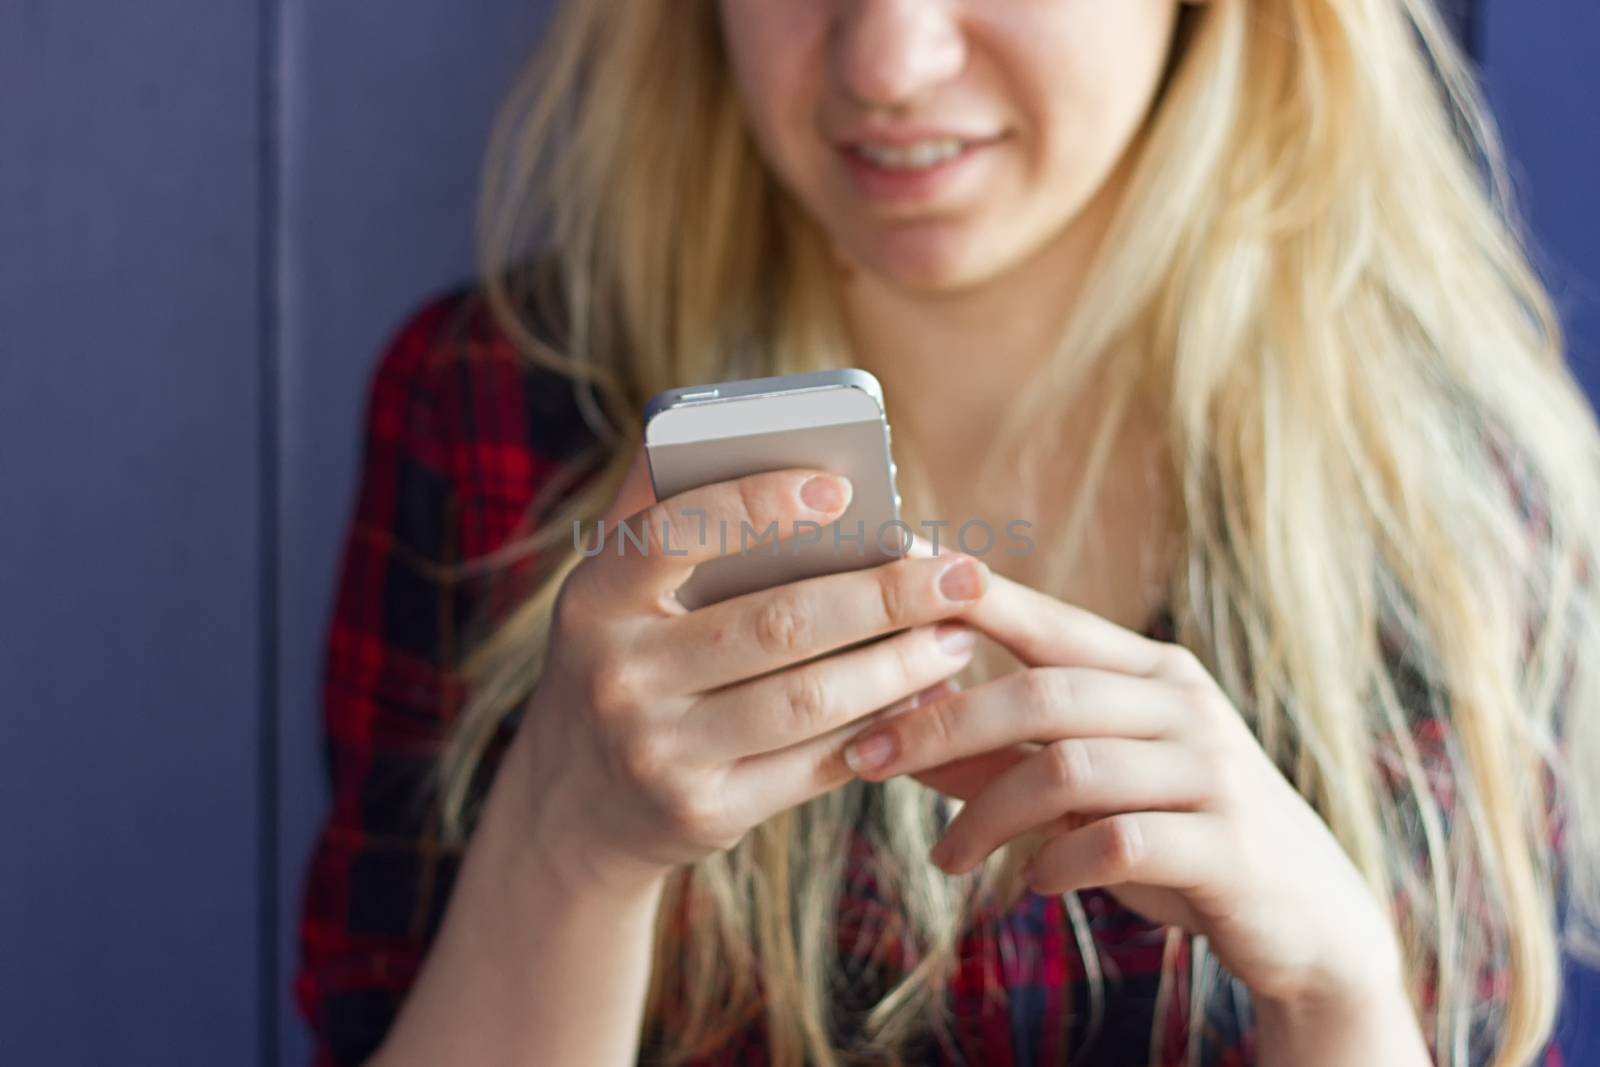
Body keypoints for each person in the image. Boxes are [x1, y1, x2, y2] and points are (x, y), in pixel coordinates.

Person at [294, 1, 1600, 1065]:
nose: (889, 61)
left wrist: (1339, 1000)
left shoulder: (1442, 486)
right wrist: (565, 845)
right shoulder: (494, 417)